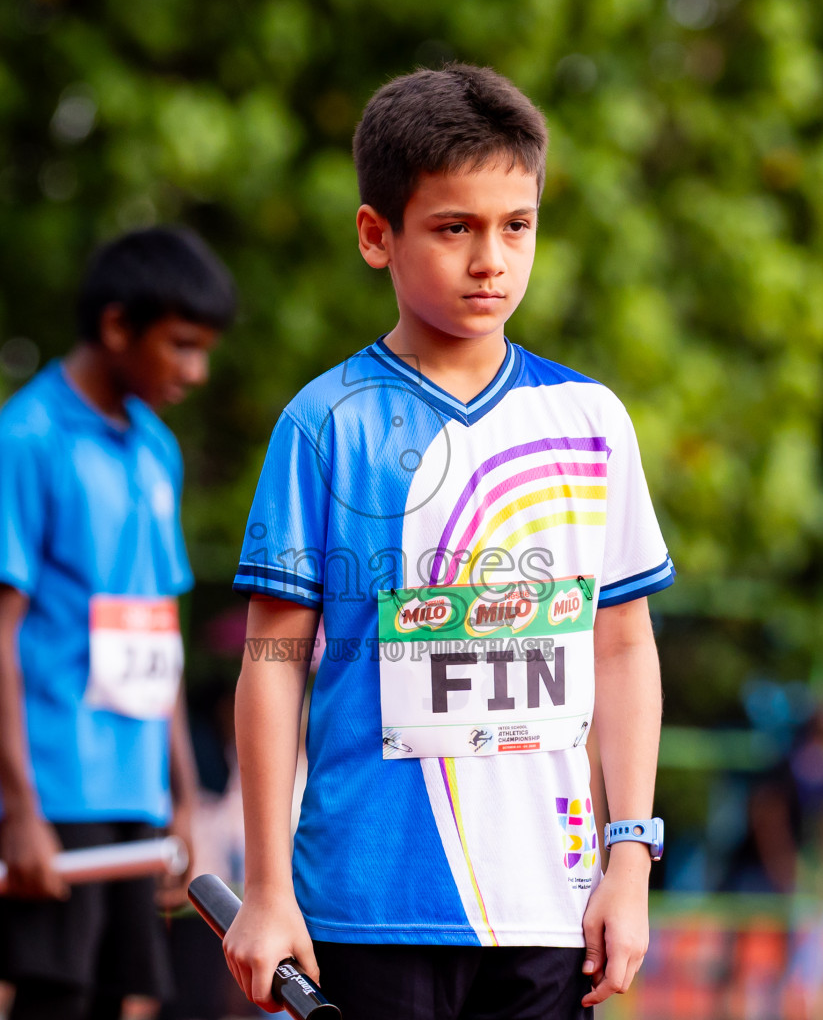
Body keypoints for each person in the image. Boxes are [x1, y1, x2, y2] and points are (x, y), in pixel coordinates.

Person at [224, 65, 674, 1020]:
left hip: (549, 912)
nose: (491, 261)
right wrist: (266, 888)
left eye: (517, 225)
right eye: (454, 227)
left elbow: (624, 645)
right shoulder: (325, 423)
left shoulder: (591, 421)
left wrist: (628, 857)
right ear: (375, 236)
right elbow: (272, 660)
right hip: (364, 907)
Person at [0, 226, 235, 1020]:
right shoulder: (27, 439)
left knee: (119, 1000)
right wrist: (20, 809)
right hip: (50, 792)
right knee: (56, 1001)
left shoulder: (157, 449)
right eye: (181, 346)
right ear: (118, 327)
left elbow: (160, 636)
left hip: (134, 790)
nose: (196, 371)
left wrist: (183, 796)